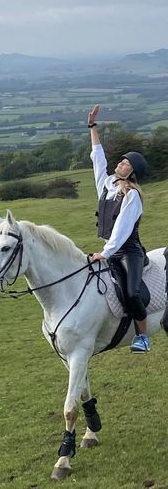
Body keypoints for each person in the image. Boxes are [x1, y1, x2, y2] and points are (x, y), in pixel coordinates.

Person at [87, 104, 150, 353]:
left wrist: (107, 252)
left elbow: (123, 228)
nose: (121, 164)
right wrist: (92, 126)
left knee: (132, 294)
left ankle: (143, 338)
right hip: (111, 249)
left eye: (126, 164)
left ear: (132, 172)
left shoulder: (132, 196)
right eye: (122, 160)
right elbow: (97, 157)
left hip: (128, 251)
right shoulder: (106, 183)